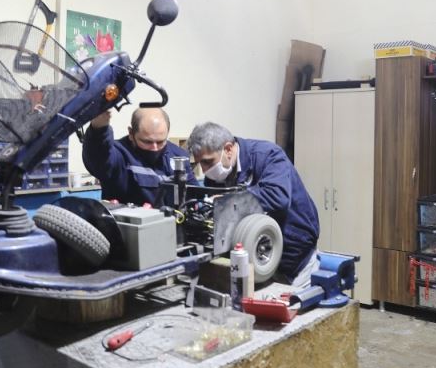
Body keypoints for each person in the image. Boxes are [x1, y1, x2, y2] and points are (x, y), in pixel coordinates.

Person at [187, 122, 320, 287]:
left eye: (208, 162)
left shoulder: (268, 155)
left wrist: (231, 200)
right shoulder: (216, 176)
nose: (205, 170)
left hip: (294, 256)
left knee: (292, 302)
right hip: (255, 260)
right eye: (200, 163)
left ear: (228, 149)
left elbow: (277, 197)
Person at [82, 107, 197, 206]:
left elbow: (195, 195)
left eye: (160, 141)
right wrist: (99, 127)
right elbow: (98, 155)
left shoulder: (178, 156)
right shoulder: (118, 155)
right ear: (131, 133)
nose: (155, 148)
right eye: (147, 142)